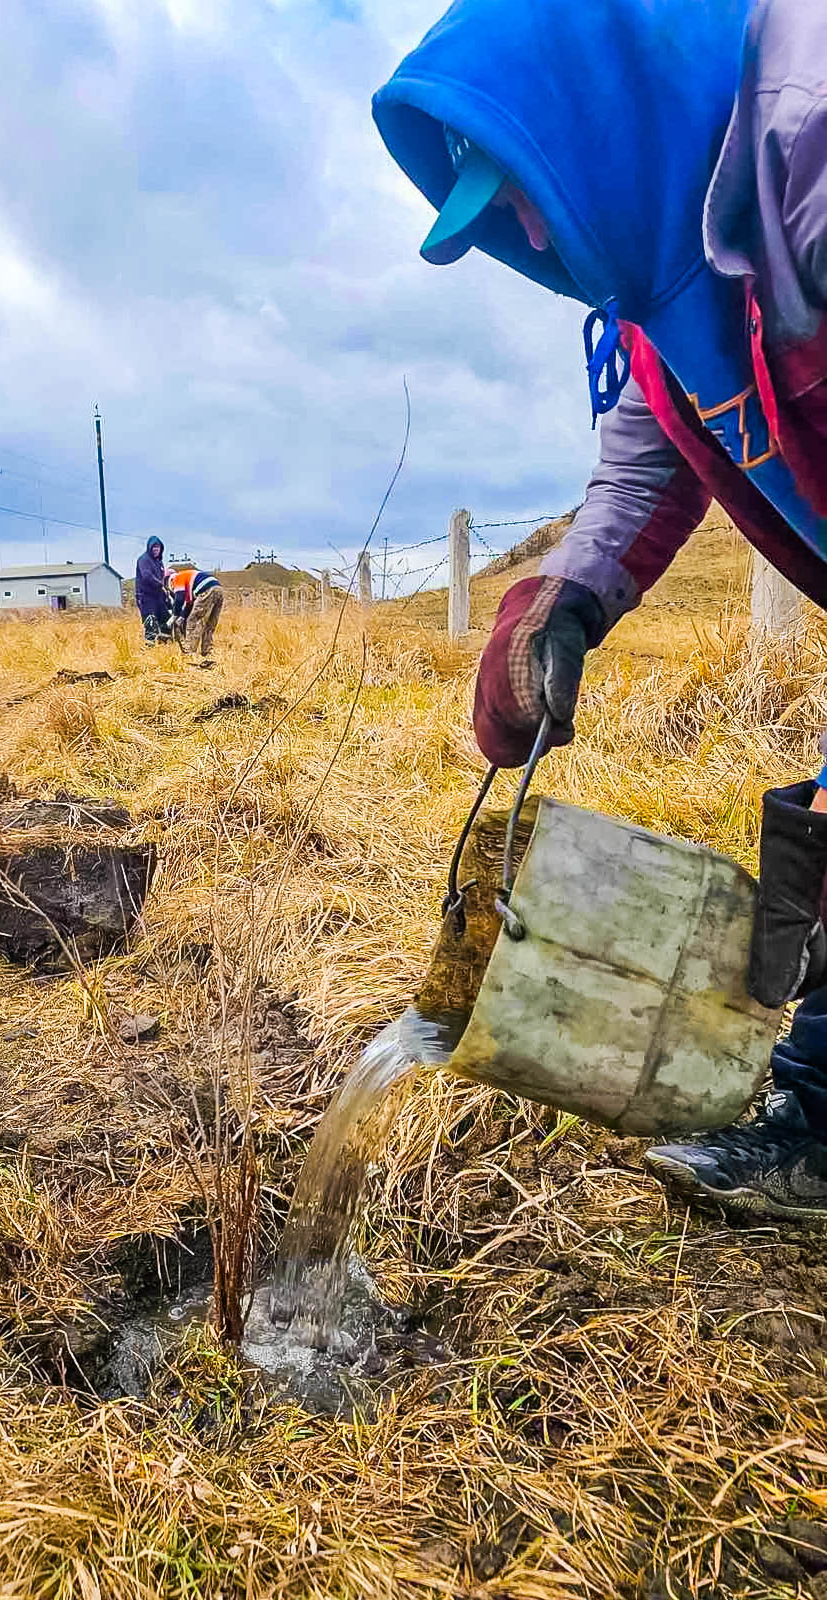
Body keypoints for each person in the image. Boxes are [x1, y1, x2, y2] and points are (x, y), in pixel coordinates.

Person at [373, 0, 827, 1221]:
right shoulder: (665, 270)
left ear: (599, 102)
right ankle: (824, 1125)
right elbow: (650, 456)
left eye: (525, 188)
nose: (531, 231)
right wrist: (559, 607)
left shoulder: (808, 152)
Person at [168, 563, 223, 666]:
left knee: (193, 622)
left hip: (206, 590)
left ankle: (189, 654)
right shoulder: (189, 581)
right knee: (209, 623)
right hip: (218, 588)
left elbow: (179, 599)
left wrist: (174, 616)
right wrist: (182, 617)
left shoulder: (176, 578)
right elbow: (189, 605)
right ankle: (207, 652)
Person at [134, 537, 171, 645]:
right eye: (154, 547)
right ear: (149, 548)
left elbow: (162, 578)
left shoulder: (159, 562)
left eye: (158, 547)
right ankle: (149, 648)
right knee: (151, 622)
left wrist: (166, 592)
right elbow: (147, 576)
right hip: (146, 596)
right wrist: (160, 584)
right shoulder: (144, 560)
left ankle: (163, 645)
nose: (156, 549)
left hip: (158, 596)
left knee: (166, 620)